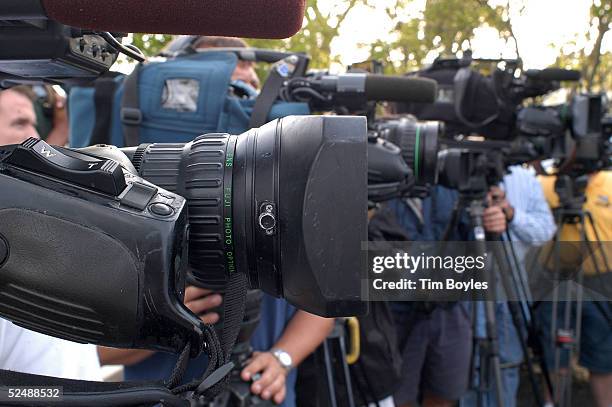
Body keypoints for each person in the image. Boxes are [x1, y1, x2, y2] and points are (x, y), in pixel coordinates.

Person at [98, 36, 334, 406]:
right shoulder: (118, 201)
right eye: (229, 88)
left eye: (251, 89)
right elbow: (87, 353)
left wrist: (282, 358)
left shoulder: (286, 192)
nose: (244, 101)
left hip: (254, 391)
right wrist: (159, 321)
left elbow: (325, 304)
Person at [0, 86, 101, 381]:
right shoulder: (23, 264)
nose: (36, 139)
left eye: (35, 124)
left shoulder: (38, 243)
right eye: (20, 124)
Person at [386, 182, 508, 407]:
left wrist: (491, 226)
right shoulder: (381, 178)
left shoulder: (452, 180)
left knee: (446, 391)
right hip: (393, 311)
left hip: (449, 306)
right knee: (396, 396)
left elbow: (475, 249)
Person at [460, 165, 556, 407]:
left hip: (511, 278)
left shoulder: (524, 179)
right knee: (471, 366)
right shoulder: (455, 168)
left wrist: (511, 214)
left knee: (509, 363)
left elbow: (545, 231)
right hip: (467, 282)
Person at [536, 170, 612, 407]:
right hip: (556, 279)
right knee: (555, 354)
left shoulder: (609, 182)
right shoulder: (545, 183)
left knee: (603, 354)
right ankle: (551, 403)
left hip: (602, 280)